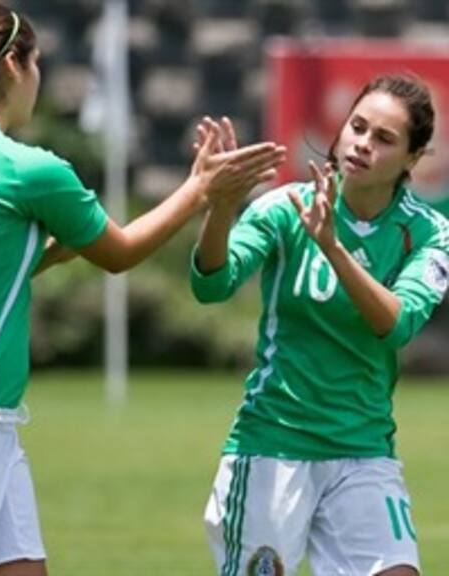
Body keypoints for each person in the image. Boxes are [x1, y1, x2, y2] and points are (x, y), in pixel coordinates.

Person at [0, 2, 286, 575]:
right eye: (38, 62)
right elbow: (119, 253)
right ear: (15, 66)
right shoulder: (27, 167)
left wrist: (62, 241)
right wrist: (200, 191)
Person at [190, 74, 447, 576]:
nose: (362, 144)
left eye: (384, 139)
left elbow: (397, 325)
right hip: (272, 446)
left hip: (364, 451)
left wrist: (333, 247)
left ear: (412, 160)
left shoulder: (427, 233)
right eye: (358, 126)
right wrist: (220, 209)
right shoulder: (285, 208)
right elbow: (212, 285)